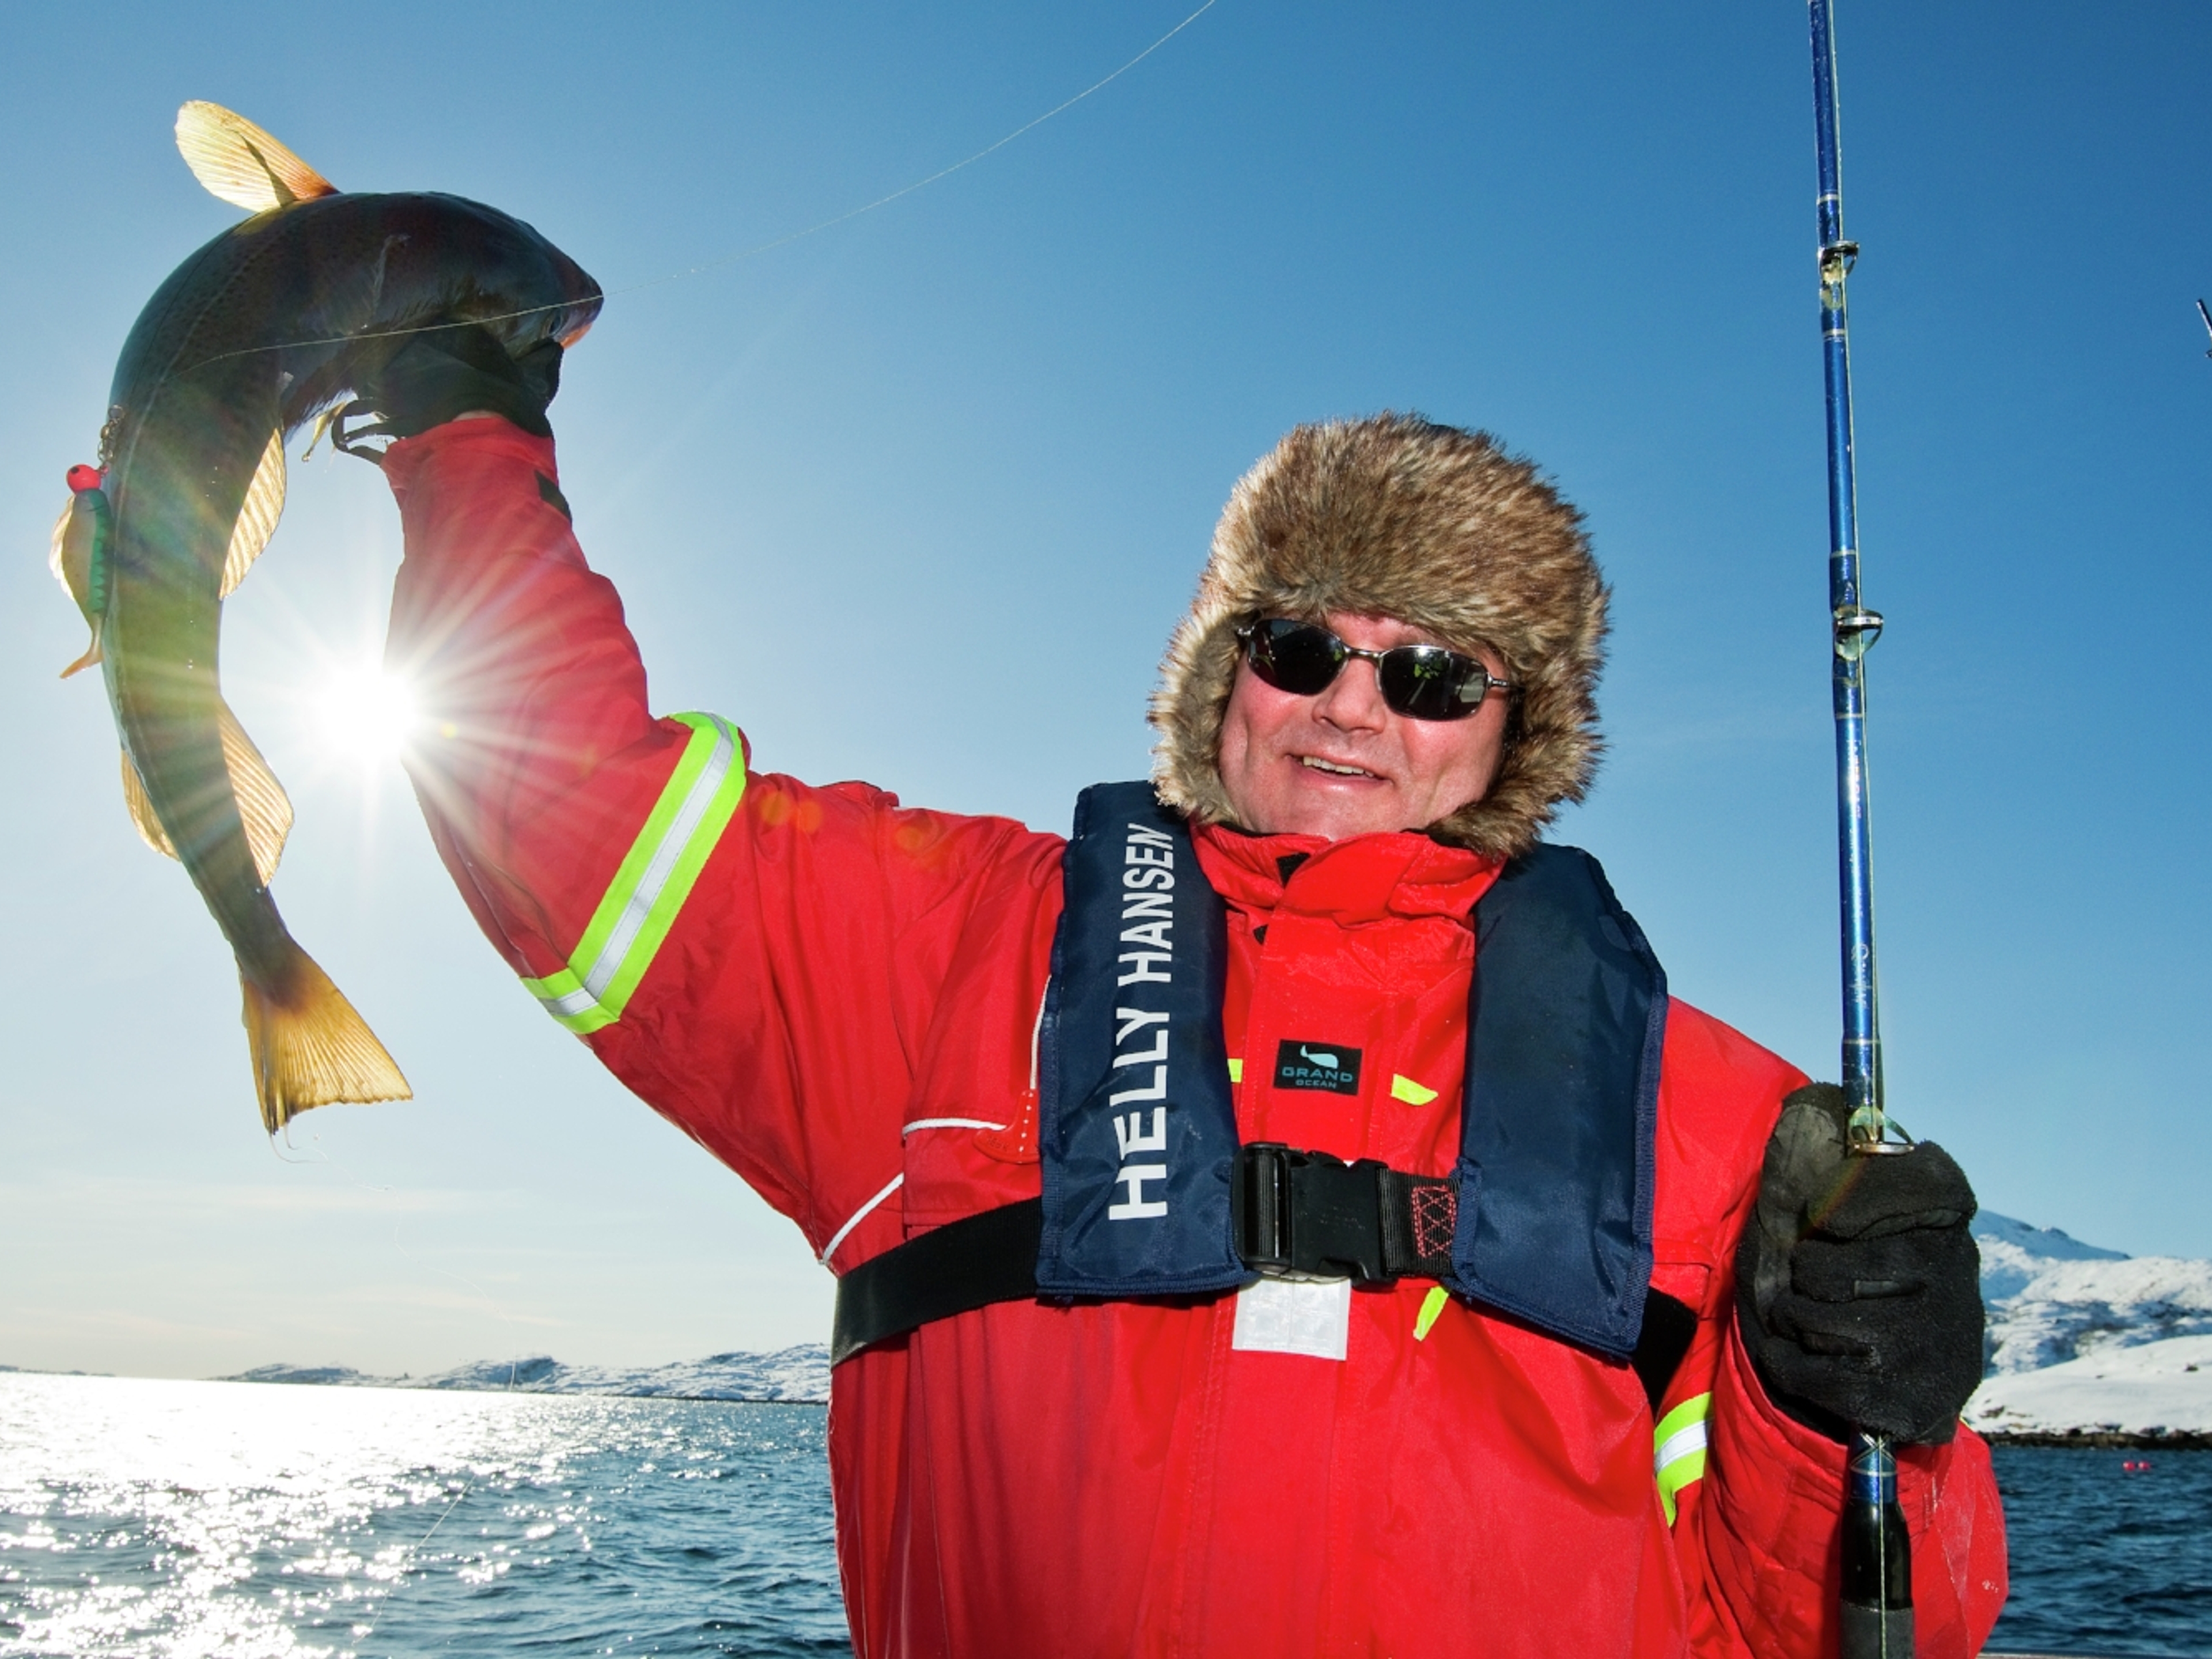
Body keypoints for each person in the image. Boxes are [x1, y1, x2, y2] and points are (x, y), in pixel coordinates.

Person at [355, 327, 2005, 1658]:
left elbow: (1859, 1630)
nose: (1352, 709)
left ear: (1520, 728)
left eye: (1433, 674)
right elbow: (561, 809)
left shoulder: (1723, 1119)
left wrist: (1861, 1413)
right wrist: (463, 421)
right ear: (1225, 669)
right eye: (1300, 647)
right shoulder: (949, 950)